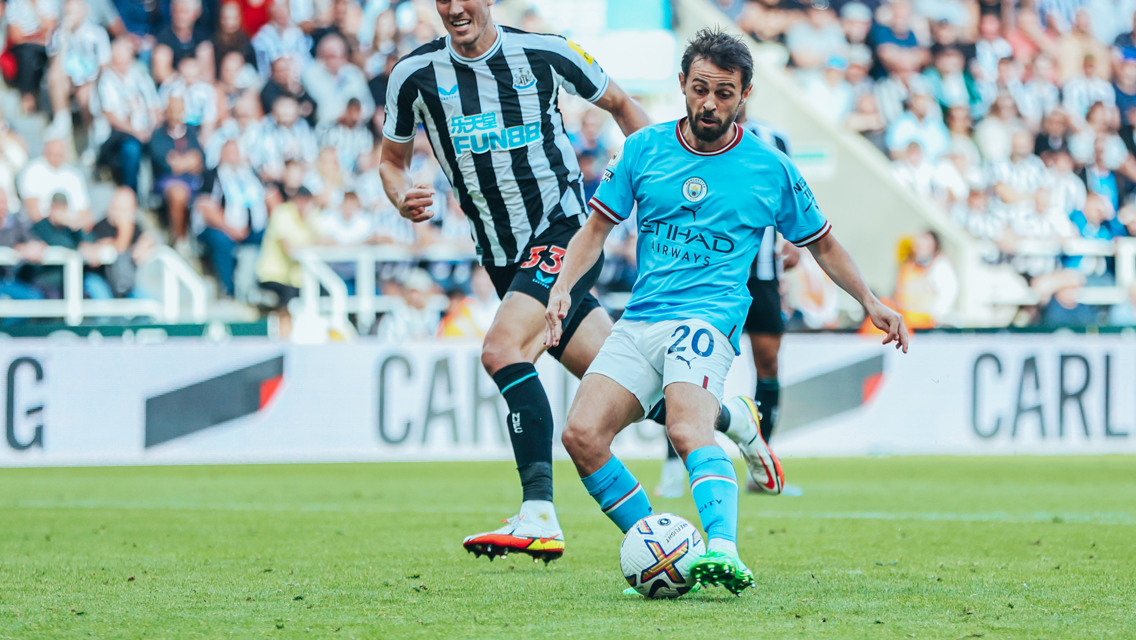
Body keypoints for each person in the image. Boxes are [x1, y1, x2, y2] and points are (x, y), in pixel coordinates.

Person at [545, 28, 908, 594]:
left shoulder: (770, 168)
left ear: (745, 95)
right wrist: (563, 286)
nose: (709, 103)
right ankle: (660, 548)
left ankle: (724, 549)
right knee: (582, 436)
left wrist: (870, 301)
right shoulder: (643, 148)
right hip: (641, 318)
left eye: (724, 92)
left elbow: (823, 243)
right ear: (683, 86)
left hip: (708, 319)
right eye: (699, 89)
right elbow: (596, 229)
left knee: (687, 430)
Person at [378, 0, 651, 563]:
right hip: (504, 259)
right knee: (628, 382)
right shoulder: (414, 75)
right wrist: (400, 194)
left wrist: (661, 184)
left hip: (567, 230)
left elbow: (623, 104)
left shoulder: (544, 52)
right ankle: (728, 422)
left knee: (502, 350)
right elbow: (391, 160)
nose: (454, 8)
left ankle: (538, 513)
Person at [655, 111, 802, 498]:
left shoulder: (773, 138)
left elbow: (791, 196)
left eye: (728, 88)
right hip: (705, 272)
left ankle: (761, 465)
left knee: (768, 362)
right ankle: (674, 464)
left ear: (744, 90)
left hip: (763, 272)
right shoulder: (685, 135)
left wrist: (795, 239)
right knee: (683, 363)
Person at [96, 38, 162, 194]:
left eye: (125, 62)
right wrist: (137, 132)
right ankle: (131, 193)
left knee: (162, 146)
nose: (122, 67)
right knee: (131, 150)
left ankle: (157, 194)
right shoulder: (106, 80)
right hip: (121, 133)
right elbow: (111, 116)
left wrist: (153, 127)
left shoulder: (141, 76)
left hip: (147, 129)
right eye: (119, 63)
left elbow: (154, 106)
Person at [18, 134, 91, 224]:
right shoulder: (32, 171)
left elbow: (85, 212)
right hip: (44, 227)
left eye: (59, 154)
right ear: (44, 152)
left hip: (72, 228)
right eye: (52, 154)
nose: (56, 158)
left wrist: (70, 222)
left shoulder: (75, 175)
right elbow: (33, 211)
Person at [0, 187, 46, 302]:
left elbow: (34, 242)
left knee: (35, 298)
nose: (2, 206)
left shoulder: (15, 223)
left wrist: (30, 247)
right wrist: (16, 248)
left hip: (8, 280)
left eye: (4, 202)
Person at [153, 0, 215, 84]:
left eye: (184, 12)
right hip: (173, 88)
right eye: (177, 11)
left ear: (196, 13)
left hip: (198, 86)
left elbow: (208, 75)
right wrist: (184, 78)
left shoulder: (202, 37)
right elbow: (161, 74)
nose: (180, 16)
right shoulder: (164, 37)